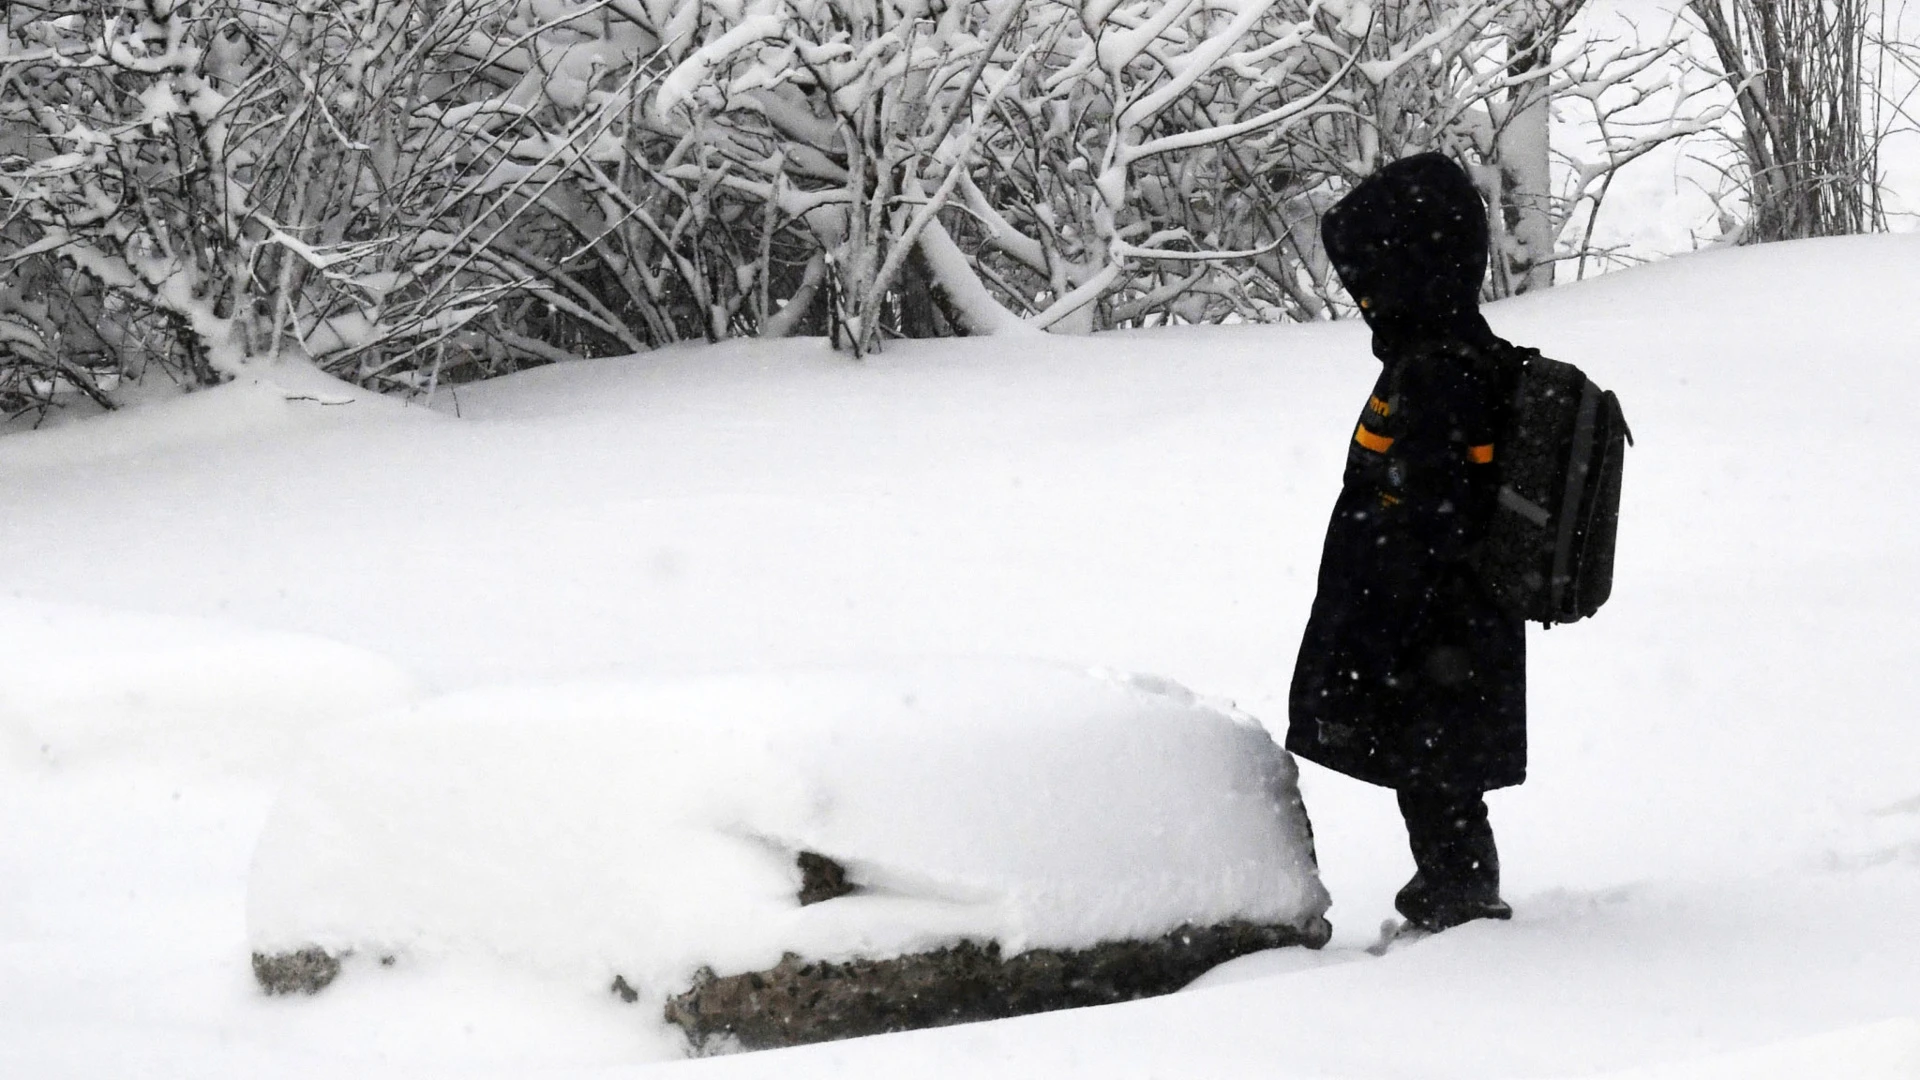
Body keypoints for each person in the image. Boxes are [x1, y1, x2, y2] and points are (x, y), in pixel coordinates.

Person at [1286, 152, 1528, 934]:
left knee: (1438, 773)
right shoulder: (1460, 353)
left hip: (1433, 628)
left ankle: (1459, 909)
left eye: (1371, 279)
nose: (1362, 299)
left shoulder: (1438, 373)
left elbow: (1426, 520)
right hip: (1451, 627)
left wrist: (1374, 634)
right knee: (1437, 774)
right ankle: (1452, 895)